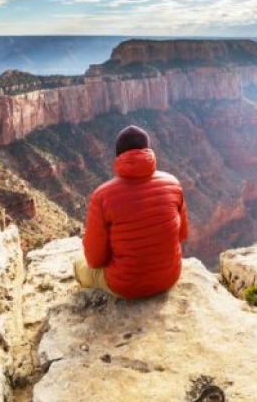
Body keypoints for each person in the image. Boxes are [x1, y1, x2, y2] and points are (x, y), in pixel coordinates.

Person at [74, 124, 189, 299]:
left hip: (125, 286)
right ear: (148, 151)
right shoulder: (172, 183)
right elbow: (182, 235)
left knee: (78, 264)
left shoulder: (101, 196)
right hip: (169, 277)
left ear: (119, 156)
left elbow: (95, 260)